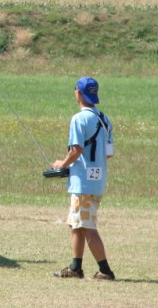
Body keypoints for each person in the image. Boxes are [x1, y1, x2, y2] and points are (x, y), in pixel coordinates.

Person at [52, 76, 115, 281]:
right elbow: (108, 153)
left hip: (83, 183)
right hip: (97, 182)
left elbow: (77, 149)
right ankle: (75, 267)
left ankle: (105, 270)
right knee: (76, 224)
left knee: (87, 227)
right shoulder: (105, 119)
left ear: (78, 93)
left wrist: (63, 163)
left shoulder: (79, 119)